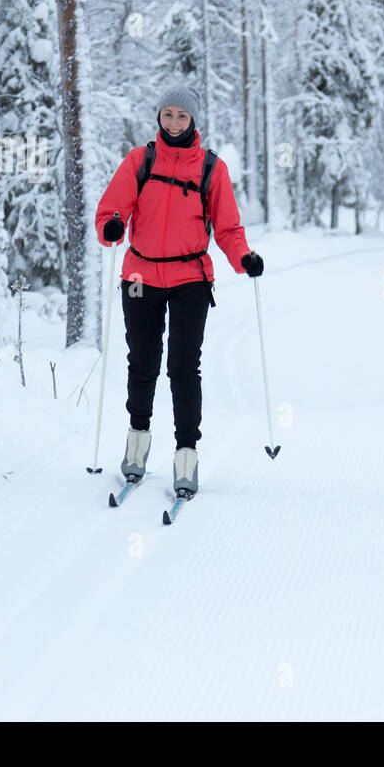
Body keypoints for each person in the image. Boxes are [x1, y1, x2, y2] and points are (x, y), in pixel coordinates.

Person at [94, 86, 264, 500]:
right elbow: (110, 210)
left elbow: (227, 228)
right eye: (167, 114)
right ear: (159, 117)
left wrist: (243, 258)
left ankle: (186, 454)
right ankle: (136, 446)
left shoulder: (211, 168)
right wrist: (112, 227)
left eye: (181, 116)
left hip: (190, 277)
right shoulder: (141, 160)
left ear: (193, 121)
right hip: (139, 275)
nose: (173, 123)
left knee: (184, 366)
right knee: (142, 362)